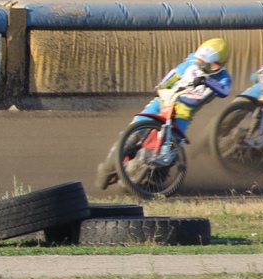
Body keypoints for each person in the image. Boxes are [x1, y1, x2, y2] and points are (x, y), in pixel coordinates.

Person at [96, 38, 232, 190]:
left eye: (212, 65)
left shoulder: (223, 78)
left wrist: (207, 81)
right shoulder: (191, 63)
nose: (204, 66)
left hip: (183, 113)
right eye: (202, 61)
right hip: (163, 101)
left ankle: (151, 179)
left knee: (170, 151)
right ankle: (108, 167)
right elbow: (173, 75)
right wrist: (162, 87)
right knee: (134, 130)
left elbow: (224, 91)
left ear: (221, 65)